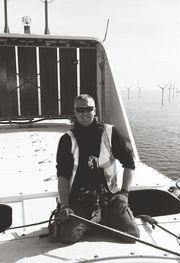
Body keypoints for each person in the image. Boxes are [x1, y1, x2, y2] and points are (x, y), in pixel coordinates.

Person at [55, 94, 140, 243]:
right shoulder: (66, 140)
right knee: (67, 236)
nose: (84, 113)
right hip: (80, 199)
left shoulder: (110, 133)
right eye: (80, 109)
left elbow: (129, 164)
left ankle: (97, 219)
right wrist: (65, 206)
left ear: (95, 110)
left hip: (108, 197)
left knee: (132, 233)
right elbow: (62, 176)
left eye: (88, 109)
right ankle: (96, 219)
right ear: (75, 112)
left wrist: (124, 194)